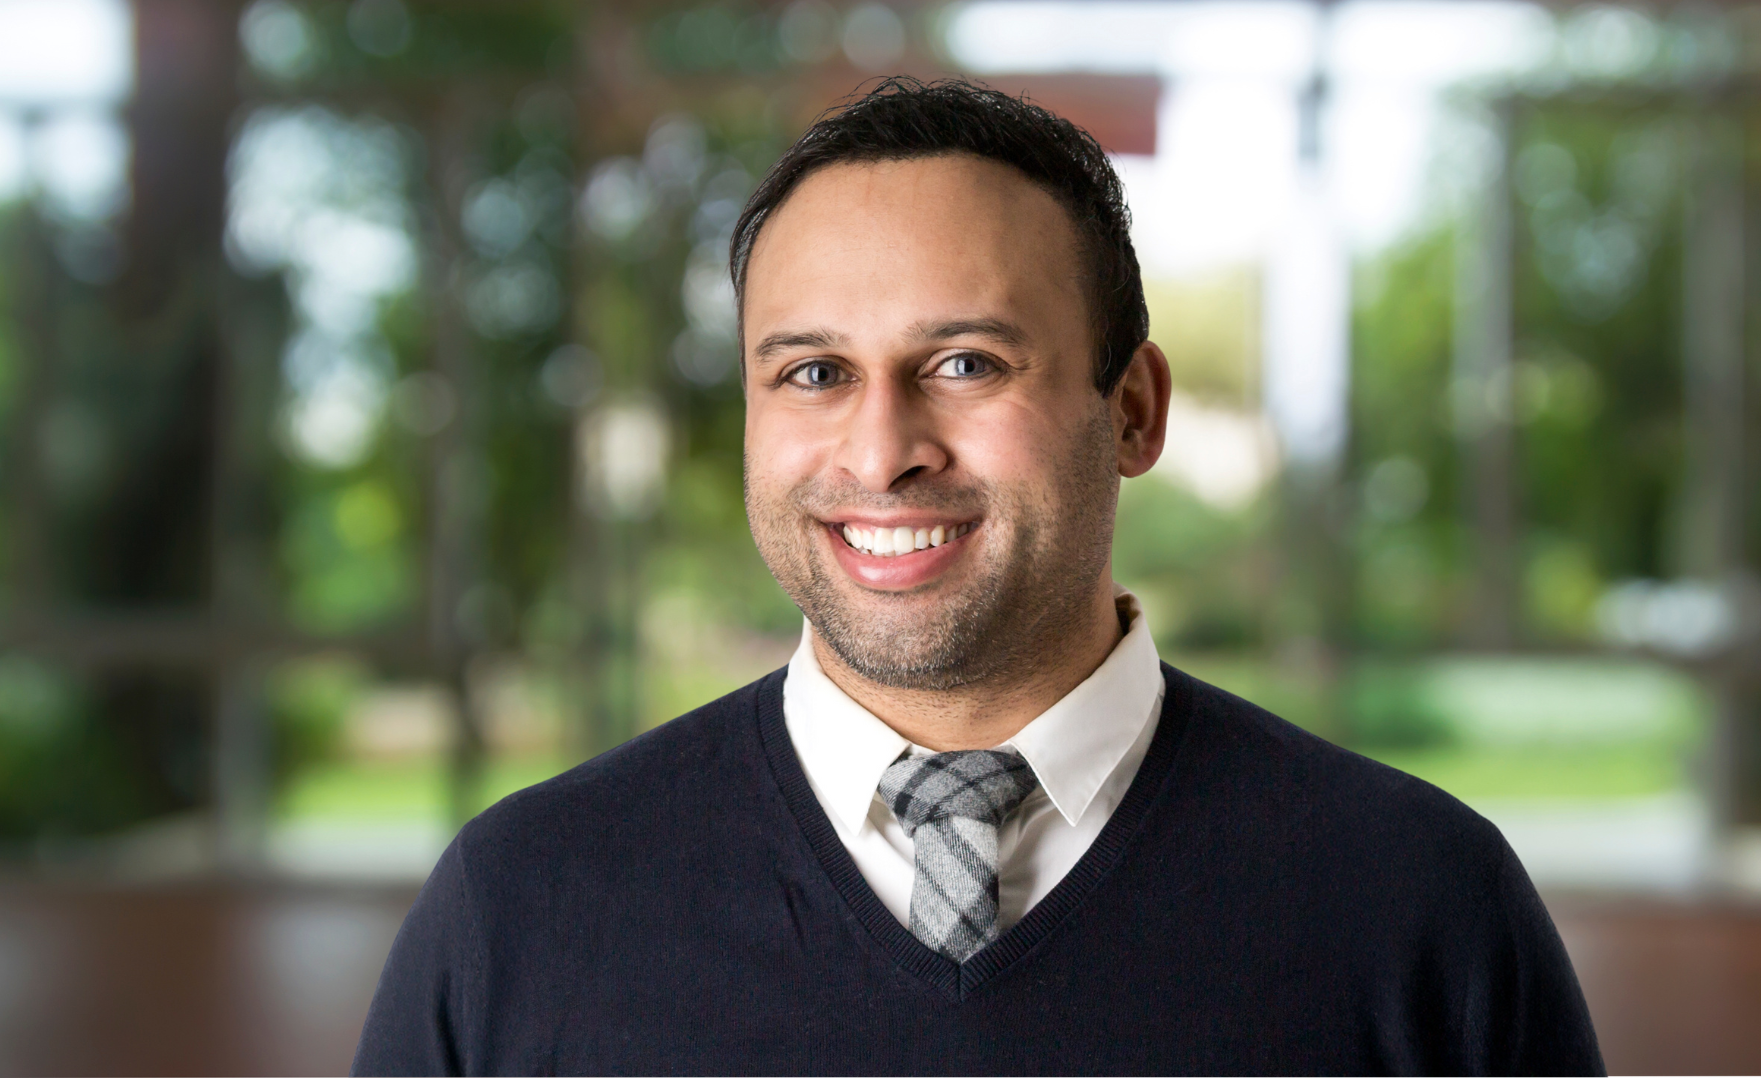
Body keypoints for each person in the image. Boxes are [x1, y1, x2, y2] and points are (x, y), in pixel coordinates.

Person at [353, 78, 1605, 1076]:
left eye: (963, 364)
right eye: (812, 373)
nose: (884, 451)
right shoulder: (522, 905)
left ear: (1132, 410)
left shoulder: (1421, 905)